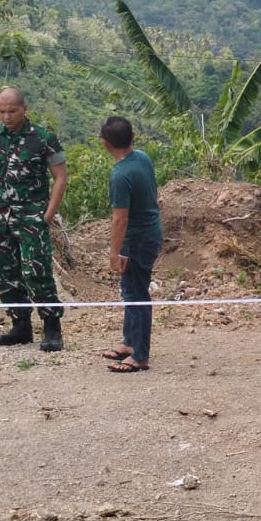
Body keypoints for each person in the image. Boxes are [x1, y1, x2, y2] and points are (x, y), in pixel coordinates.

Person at [0, 88, 68, 352]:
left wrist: (48, 214)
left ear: (24, 109)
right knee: (4, 272)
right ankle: (20, 325)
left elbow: (60, 177)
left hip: (31, 216)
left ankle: (52, 328)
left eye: (12, 111)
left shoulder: (44, 138)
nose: (6, 117)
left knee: (37, 270)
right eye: (1, 112)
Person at [98, 116, 162, 374]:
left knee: (136, 295)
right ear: (132, 137)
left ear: (105, 143)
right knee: (131, 290)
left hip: (136, 240)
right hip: (150, 233)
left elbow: (120, 219)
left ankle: (140, 356)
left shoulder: (120, 175)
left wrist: (114, 252)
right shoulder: (143, 158)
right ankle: (129, 343)